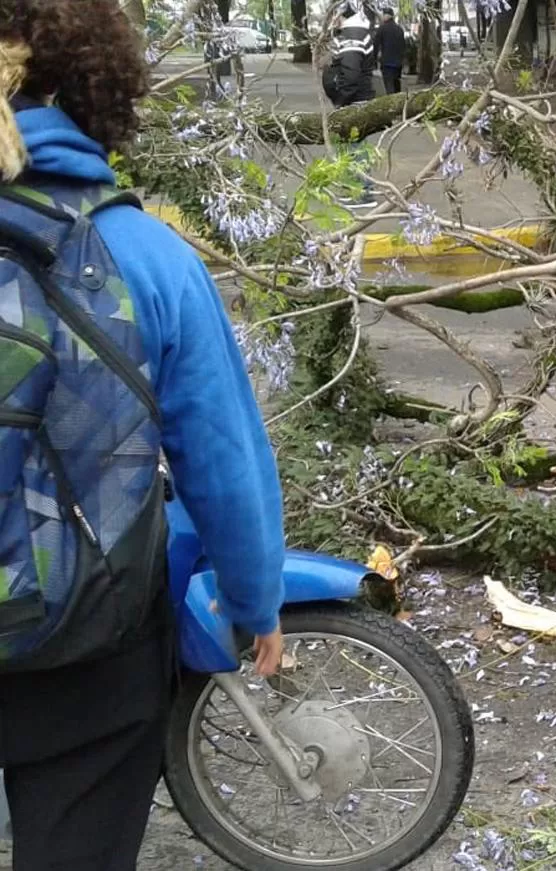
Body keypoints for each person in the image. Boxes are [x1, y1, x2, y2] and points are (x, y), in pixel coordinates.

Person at [0, 2, 286, 869]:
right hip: (88, 642)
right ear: (100, 91)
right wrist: (254, 600)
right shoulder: (147, 254)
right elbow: (222, 455)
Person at [375, 8, 405, 95]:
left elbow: (376, 44)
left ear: (385, 16)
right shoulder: (399, 29)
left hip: (387, 62)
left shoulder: (382, 29)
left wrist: (374, 59)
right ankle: (400, 102)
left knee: (389, 86)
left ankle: (391, 104)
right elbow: (403, 46)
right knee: (396, 84)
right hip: (398, 63)